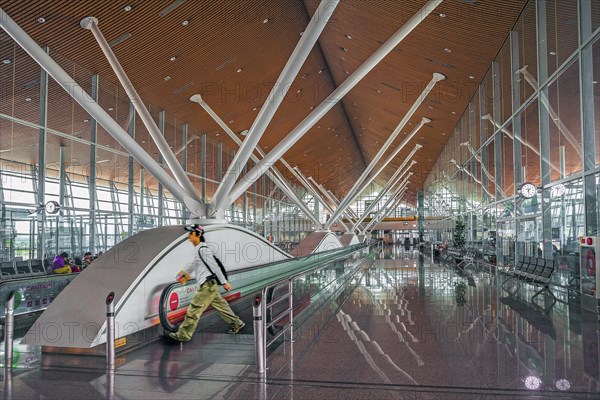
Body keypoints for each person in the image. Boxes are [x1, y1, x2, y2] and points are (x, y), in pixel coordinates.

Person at [168, 224, 245, 342]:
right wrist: (180, 278)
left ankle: (183, 335)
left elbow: (215, 267)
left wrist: (224, 282)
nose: (188, 235)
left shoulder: (203, 250)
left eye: (191, 233)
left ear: (198, 235)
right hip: (210, 286)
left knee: (194, 309)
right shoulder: (198, 249)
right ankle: (237, 323)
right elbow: (192, 264)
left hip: (207, 286)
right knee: (222, 307)